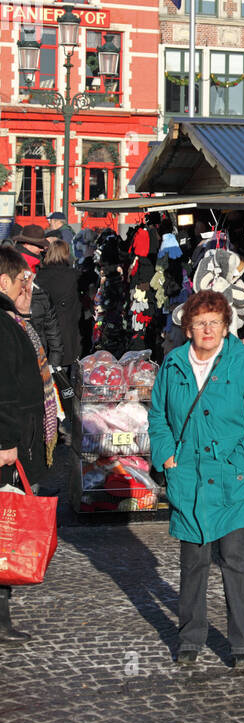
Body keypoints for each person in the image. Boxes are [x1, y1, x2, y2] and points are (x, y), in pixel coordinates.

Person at [147, 289, 244, 673]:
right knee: (194, 562)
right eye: (201, 322)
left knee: (234, 557)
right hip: (188, 478)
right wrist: (166, 455)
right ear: (188, 327)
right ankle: (190, 637)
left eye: (215, 322)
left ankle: (243, 645)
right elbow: (157, 416)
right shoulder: (172, 364)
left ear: (226, 326)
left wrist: (239, 461)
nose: (208, 329)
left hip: (235, 481)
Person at [0, 245, 53, 642]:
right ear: (4, 281)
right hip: (7, 446)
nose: (27, 287)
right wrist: (5, 440)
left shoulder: (10, 319)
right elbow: (3, 388)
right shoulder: (2, 324)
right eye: (23, 280)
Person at [13, 226, 63, 370]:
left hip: (37, 350)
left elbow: (50, 320)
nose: (42, 250)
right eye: (39, 246)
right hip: (24, 351)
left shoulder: (39, 269)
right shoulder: (14, 269)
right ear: (28, 244)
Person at [37, 238, 82, 373]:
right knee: (66, 376)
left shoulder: (39, 276)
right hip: (67, 329)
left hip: (45, 329)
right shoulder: (74, 276)